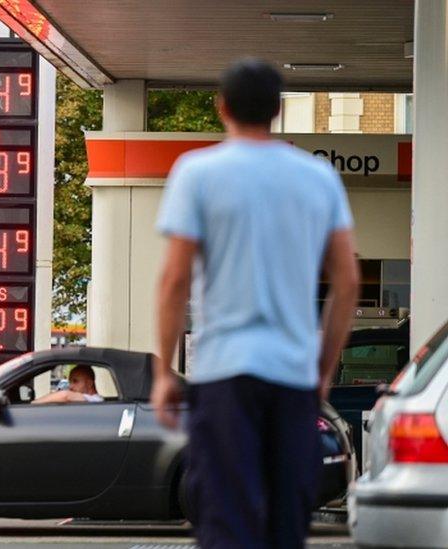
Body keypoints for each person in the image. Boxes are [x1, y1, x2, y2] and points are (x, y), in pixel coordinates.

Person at [151, 58, 360, 548]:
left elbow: (175, 278)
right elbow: (347, 282)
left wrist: (164, 372)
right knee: (287, 523)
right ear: (279, 110)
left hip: (224, 376)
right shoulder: (318, 178)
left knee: (226, 519)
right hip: (292, 377)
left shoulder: (196, 172)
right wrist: (321, 371)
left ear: (221, 106)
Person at [33, 365, 103, 404]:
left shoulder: (95, 400)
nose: (70, 386)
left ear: (89, 383)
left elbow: (65, 395)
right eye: (70, 382)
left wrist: (34, 404)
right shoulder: (85, 401)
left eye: (75, 381)